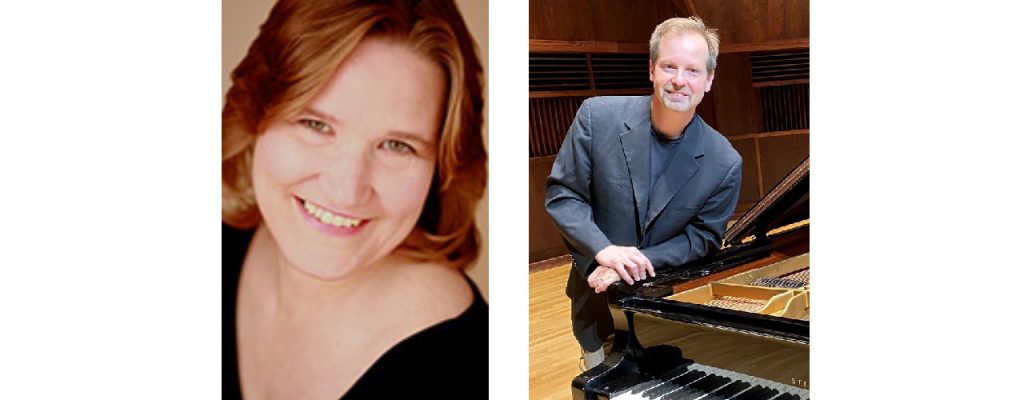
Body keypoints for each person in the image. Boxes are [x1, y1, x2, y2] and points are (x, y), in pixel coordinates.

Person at [221, 0, 487, 398]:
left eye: (397, 145)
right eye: (315, 124)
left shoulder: (468, 369)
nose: (346, 188)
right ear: (254, 115)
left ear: (441, 170)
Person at [545, 16, 742, 370]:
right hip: (596, 297)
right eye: (669, 66)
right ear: (652, 69)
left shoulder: (724, 161)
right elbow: (564, 194)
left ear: (709, 80)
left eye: (693, 70)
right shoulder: (597, 117)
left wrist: (635, 263)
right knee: (599, 380)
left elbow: (703, 237)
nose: (679, 80)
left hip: (671, 311)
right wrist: (604, 250)